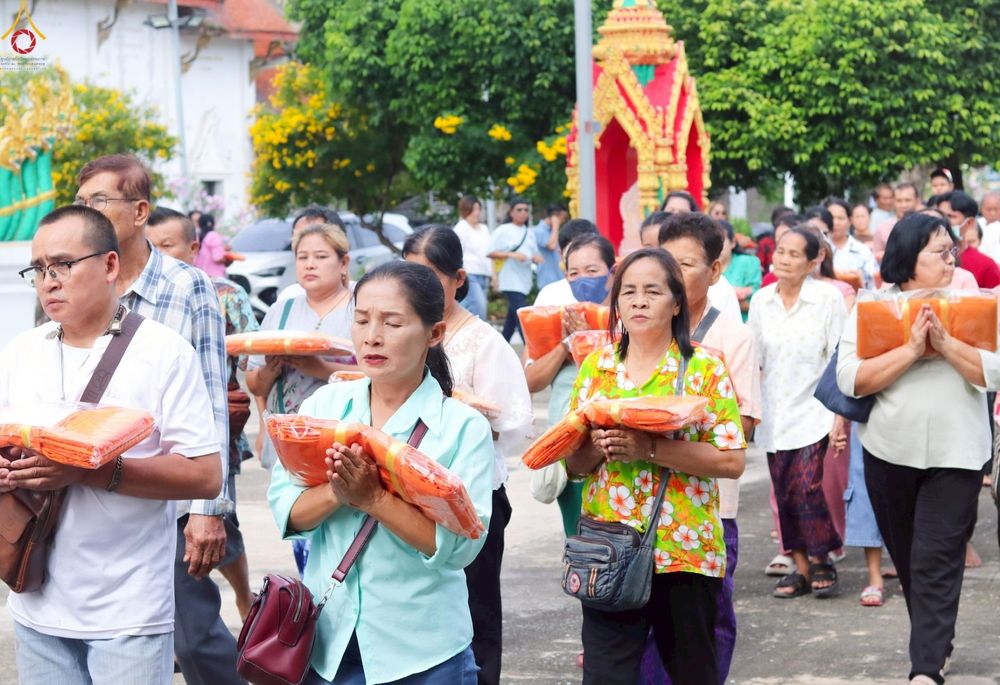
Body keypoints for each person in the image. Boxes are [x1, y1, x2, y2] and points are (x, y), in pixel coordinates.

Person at [1, 205, 223, 685]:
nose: (48, 281)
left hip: (128, 610)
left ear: (108, 265)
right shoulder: (22, 352)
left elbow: (205, 474)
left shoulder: (163, 354)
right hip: (34, 597)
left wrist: (86, 469)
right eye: (38, 269)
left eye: (62, 265)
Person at [267, 260, 494, 685]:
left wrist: (375, 499)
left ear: (434, 333)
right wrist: (340, 491)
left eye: (392, 323)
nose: (372, 336)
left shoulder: (464, 428)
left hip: (424, 653)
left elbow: (461, 549)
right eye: (361, 319)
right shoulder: (323, 409)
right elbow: (287, 510)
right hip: (326, 643)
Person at [73, 154, 236, 685]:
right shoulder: (73, 281)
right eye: (81, 203)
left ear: (140, 211)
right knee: (94, 637)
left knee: (192, 637)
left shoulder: (189, 288)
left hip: (166, 494)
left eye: (99, 201)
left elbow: (213, 397)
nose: (87, 212)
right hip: (88, 495)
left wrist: (207, 509)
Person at [565, 248, 746, 685]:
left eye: (652, 291)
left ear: (677, 303)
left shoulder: (703, 367)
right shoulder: (597, 367)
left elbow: (731, 459)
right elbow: (573, 464)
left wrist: (647, 448)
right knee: (605, 676)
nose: (639, 301)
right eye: (628, 292)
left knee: (692, 674)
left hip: (684, 551)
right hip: (608, 547)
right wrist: (598, 446)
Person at [837, 212, 998, 684]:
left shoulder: (973, 300)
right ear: (908, 260)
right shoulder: (872, 307)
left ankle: (925, 669)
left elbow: (995, 371)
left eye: (952, 250)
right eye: (939, 251)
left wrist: (945, 345)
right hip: (889, 451)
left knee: (935, 556)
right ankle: (936, 640)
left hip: (958, 453)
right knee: (909, 558)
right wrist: (910, 350)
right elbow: (852, 379)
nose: (951, 258)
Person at [402, 226, 532, 685]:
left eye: (429, 275)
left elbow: (513, 422)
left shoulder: (483, 342)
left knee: (475, 604)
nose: (417, 286)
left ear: (458, 278)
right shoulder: (400, 334)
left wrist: (461, 413)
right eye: (409, 274)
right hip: (407, 492)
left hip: (470, 491)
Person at [647, 213, 761, 684]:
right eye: (664, 262)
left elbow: (748, 424)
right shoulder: (637, 330)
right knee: (642, 624)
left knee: (705, 625)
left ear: (715, 272)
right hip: (637, 503)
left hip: (708, 509)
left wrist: (666, 430)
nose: (672, 275)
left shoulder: (731, 338)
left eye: (686, 264)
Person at [147, 206, 257, 620]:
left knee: (220, 521)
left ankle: (244, 596)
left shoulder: (225, 293)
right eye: (151, 247)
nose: (158, 255)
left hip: (218, 427)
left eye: (168, 246)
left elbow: (251, 361)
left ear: (193, 248)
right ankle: (183, 623)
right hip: (162, 434)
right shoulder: (142, 294)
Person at [749, 227, 847, 599]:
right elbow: (754, 359)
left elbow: (838, 358)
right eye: (780, 251)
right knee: (785, 494)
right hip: (775, 413)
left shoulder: (827, 299)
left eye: (793, 254)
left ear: (813, 261)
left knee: (807, 487)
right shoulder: (761, 301)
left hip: (816, 410)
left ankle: (823, 556)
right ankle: (802, 568)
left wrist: (840, 417)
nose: (783, 259)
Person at [247, 223, 357, 466]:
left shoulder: (361, 309)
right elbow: (254, 383)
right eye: (302, 257)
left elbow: (384, 376)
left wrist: (322, 369)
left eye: (320, 257)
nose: (309, 264)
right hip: (286, 442)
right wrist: (268, 372)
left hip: (343, 442)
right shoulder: (281, 311)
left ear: (343, 263)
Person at [526, 229, 613, 538]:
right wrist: (567, 344)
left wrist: (592, 340)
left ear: (611, 272)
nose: (583, 279)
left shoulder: (630, 317)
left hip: (618, 451)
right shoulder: (555, 317)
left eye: (592, 271)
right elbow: (532, 381)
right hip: (571, 452)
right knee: (581, 546)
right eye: (573, 273)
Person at [644, 212, 743, 322]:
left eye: (686, 264)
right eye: (668, 262)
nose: (673, 273)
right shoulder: (643, 321)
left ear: (714, 271)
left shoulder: (732, 335)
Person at [487, 198, 543, 342]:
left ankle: (502, 345)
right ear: (511, 212)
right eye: (519, 210)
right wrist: (512, 254)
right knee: (521, 313)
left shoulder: (528, 232)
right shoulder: (503, 230)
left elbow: (534, 253)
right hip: (510, 278)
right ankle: (530, 346)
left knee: (512, 317)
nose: (523, 213)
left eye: (525, 210)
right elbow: (490, 252)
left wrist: (536, 258)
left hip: (524, 278)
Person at [276, 207, 346, 302]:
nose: (305, 240)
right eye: (297, 236)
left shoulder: (360, 299)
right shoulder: (288, 298)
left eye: (316, 231)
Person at [939, 191, 1000, 288]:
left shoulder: (986, 266)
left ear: (969, 223)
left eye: (951, 216)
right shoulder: (924, 260)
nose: (943, 222)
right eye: (940, 215)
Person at [453, 195, 493, 321]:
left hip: (484, 274)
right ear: (466, 210)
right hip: (470, 274)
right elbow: (456, 253)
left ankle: (458, 333)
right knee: (480, 307)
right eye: (473, 209)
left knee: (466, 307)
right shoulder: (461, 228)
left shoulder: (484, 228)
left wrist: (494, 276)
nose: (477, 213)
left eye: (478, 209)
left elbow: (489, 253)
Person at [825, 198, 879, 290]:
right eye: (831, 218)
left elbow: (874, 286)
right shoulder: (819, 250)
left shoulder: (862, 251)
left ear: (849, 221)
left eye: (840, 218)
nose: (835, 222)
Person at [718, 219, 762, 320]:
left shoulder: (749, 262)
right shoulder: (703, 266)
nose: (716, 246)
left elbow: (755, 301)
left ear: (733, 242)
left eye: (721, 241)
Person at [873, 182, 921, 258]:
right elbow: (875, 257)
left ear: (917, 201)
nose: (903, 205)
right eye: (899, 201)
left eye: (908, 200)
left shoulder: (927, 225)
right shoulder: (883, 228)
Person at [533, 203, 568, 291]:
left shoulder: (555, 232)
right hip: (547, 281)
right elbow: (551, 246)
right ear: (555, 216)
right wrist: (555, 226)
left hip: (560, 278)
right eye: (562, 218)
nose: (563, 221)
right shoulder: (538, 230)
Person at [195, 213, 227, 278]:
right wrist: (228, 259)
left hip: (201, 275)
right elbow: (217, 258)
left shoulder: (196, 237)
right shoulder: (214, 235)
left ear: (199, 225)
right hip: (215, 276)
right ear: (213, 224)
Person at [978, 191, 1000, 263]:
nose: (992, 213)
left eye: (996, 209)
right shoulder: (976, 225)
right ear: (981, 209)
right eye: (988, 209)